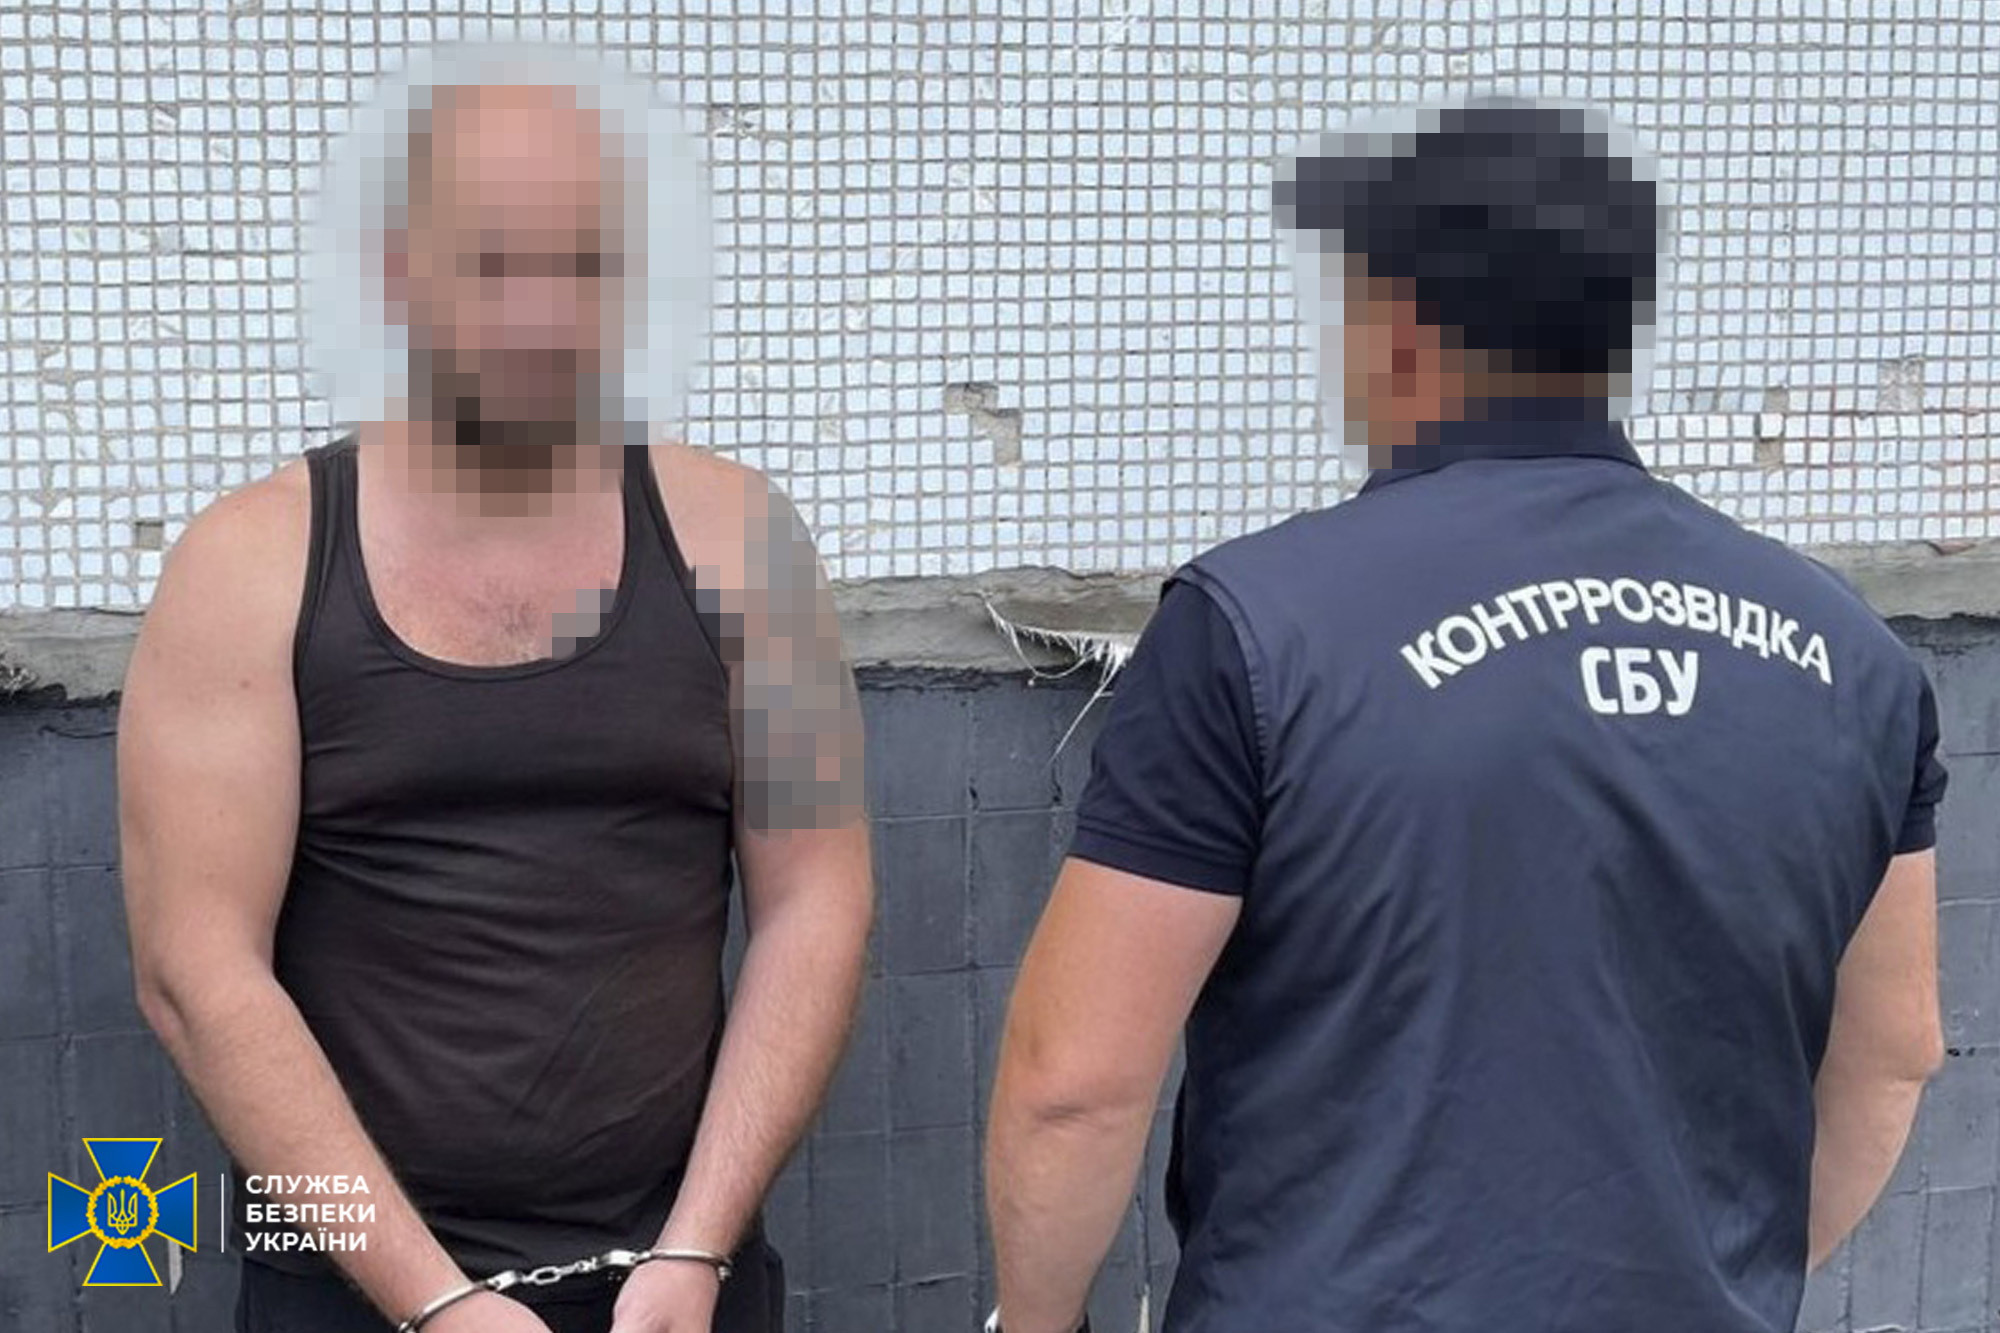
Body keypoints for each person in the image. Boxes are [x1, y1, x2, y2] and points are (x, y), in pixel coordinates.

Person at [984, 97, 1947, 1333]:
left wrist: (1038, 1322)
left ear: (1394, 327)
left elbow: (1071, 1084)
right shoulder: (1851, 655)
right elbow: (1892, 1050)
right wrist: (1715, 1278)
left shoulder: (1254, 625)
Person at [117, 43, 872, 1333]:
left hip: (679, 1291)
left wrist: (697, 1250)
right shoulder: (247, 567)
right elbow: (197, 971)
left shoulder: (744, 541)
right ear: (398, 271)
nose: (541, 315)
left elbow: (818, 900)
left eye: (583, 264)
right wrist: (432, 1300)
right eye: (494, 263)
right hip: (357, 1294)